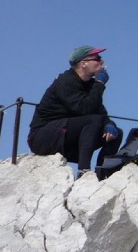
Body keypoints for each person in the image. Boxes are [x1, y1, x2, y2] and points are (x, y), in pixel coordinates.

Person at [28, 45, 121, 173]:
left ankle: (103, 173)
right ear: (83, 63)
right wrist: (99, 84)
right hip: (42, 136)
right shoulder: (66, 81)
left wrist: (109, 124)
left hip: (64, 133)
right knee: (92, 121)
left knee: (115, 132)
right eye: (97, 58)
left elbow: (101, 113)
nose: (101, 62)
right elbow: (85, 109)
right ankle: (84, 171)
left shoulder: (89, 85)